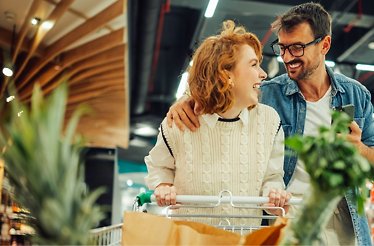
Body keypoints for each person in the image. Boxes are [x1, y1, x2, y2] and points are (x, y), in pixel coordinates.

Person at [166, 2, 374, 245]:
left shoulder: (355, 96)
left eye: (296, 48)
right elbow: (219, 93)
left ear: (324, 45)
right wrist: (186, 100)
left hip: (345, 226)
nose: (287, 57)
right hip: (286, 221)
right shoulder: (268, 94)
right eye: (282, 48)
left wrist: (358, 150)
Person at [144, 20, 291, 227]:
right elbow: (159, 165)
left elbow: (272, 176)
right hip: (190, 239)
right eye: (253, 64)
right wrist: (164, 185)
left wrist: (274, 195)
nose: (263, 74)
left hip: (245, 238)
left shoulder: (269, 121)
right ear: (226, 75)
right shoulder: (179, 121)